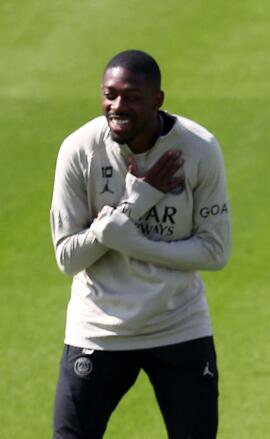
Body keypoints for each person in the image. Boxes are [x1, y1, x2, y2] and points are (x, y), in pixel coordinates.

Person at [50, 49, 231, 438]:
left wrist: (123, 239)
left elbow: (215, 252)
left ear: (157, 100)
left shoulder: (198, 148)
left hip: (178, 324)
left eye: (131, 97)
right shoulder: (80, 149)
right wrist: (136, 202)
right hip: (99, 328)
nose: (117, 106)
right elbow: (67, 258)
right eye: (109, 94)